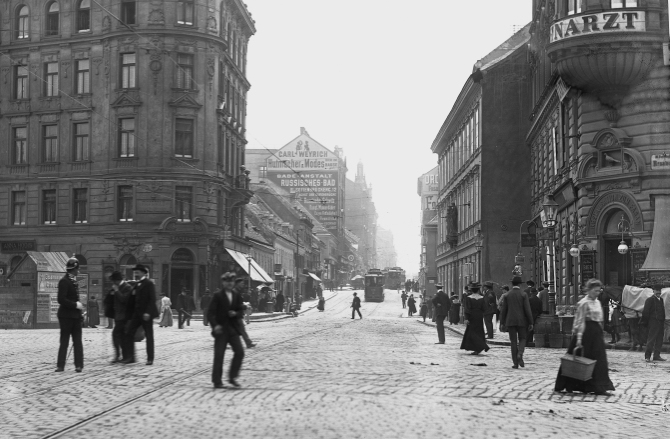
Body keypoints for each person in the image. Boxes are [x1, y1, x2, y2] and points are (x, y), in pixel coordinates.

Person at [555, 278, 615, 396]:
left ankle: (599, 386)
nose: (597, 293)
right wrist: (578, 338)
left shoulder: (597, 302)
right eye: (595, 291)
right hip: (585, 333)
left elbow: (599, 319)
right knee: (576, 358)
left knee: (599, 360)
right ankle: (569, 384)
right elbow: (580, 320)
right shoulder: (583, 303)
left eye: (599, 291)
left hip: (596, 334)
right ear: (589, 290)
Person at [208, 272, 246, 388]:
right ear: (223, 282)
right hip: (221, 330)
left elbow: (241, 310)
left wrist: (236, 313)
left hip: (233, 329)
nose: (229, 283)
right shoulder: (217, 296)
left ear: (233, 283)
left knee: (240, 352)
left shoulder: (236, 295)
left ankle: (232, 377)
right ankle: (217, 381)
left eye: (231, 281)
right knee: (219, 355)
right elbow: (210, 313)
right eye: (227, 281)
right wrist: (215, 325)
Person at [124, 264, 159, 366]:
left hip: (146, 315)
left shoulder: (149, 283)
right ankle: (130, 357)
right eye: (135, 272)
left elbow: (152, 299)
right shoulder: (136, 284)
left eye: (137, 271)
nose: (135, 273)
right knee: (129, 333)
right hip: (137, 314)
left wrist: (148, 312)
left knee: (149, 336)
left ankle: (150, 359)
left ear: (143, 273)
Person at [55, 257, 84, 372]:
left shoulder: (73, 281)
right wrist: (75, 305)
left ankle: (79, 365)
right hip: (66, 316)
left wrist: (80, 313)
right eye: (77, 269)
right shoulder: (64, 281)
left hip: (75, 317)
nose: (78, 271)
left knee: (77, 342)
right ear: (73, 269)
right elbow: (61, 299)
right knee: (64, 342)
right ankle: (60, 365)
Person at [500, 276, 534, 369]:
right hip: (522, 321)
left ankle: (515, 363)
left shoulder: (507, 295)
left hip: (510, 321)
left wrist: (502, 322)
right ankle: (520, 353)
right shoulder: (523, 294)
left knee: (513, 341)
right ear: (520, 284)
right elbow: (527, 310)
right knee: (523, 338)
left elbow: (504, 310)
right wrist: (531, 322)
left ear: (512, 284)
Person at [460, 283, 489, 355]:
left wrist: (466, 318)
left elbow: (467, 309)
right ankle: (477, 348)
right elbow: (485, 308)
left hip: (472, 316)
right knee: (479, 331)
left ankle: (482, 346)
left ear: (472, 290)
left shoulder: (468, 298)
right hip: (479, 316)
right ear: (478, 290)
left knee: (472, 332)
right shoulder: (482, 298)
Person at [641, 285, 666, 363]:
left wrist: (663, 320)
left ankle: (656, 356)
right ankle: (647, 356)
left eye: (659, 291)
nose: (658, 292)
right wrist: (646, 323)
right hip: (653, 323)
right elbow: (645, 312)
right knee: (651, 339)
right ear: (653, 291)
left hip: (660, 322)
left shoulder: (661, 300)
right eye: (657, 290)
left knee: (659, 340)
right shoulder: (649, 300)